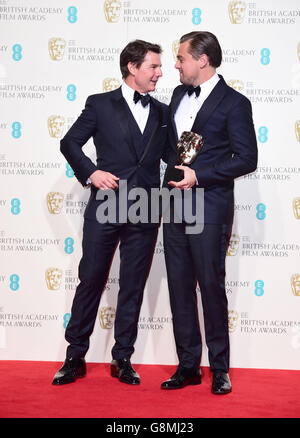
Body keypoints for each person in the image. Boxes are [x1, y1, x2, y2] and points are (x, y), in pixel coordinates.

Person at [52, 40, 168, 386]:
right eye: (153, 67)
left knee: (132, 285)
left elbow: (172, 158)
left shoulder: (162, 112)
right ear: (132, 68)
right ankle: (75, 356)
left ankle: (123, 358)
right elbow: (69, 142)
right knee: (91, 280)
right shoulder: (100, 104)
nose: (159, 73)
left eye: (160, 67)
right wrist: (90, 172)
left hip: (146, 207)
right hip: (107, 204)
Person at [161, 31, 257, 394]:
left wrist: (199, 176)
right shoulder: (175, 95)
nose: (176, 64)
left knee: (211, 286)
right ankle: (188, 366)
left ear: (202, 60)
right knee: (179, 287)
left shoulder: (235, 103)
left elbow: (247, 159)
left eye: (181, 57)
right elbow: (172, 148)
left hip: (209, 205)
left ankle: (220, 368)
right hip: (172, 204)